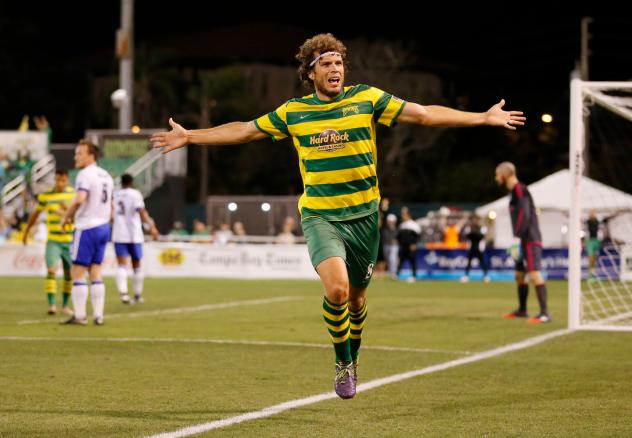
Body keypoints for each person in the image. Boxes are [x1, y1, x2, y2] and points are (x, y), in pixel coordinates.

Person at [152, 33, 525, 399]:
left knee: (358, 302)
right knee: (337, 290)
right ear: (310, 73)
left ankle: (354, 355)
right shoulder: (294, 112)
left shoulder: (367, 98)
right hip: (320, 216)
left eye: (339, 62)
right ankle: (343, 362)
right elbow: (246, 130)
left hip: (364, 217)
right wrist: (192, 137)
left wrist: (482, 118)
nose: (335, 68)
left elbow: (425, 114)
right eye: (326, 63)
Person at [60, 139, 114, 326]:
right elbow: (112, 205)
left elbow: (79, 199)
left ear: (91, 155)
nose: (76, 156)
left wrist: (66, 217)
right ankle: (98, 315)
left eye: (80, 153)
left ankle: (80, 315)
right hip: (103, 227)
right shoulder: (106, 175)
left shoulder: (85, 174)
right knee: (96, 271)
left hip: (87, 227)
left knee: (78, 272)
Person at [495, 162, 550, 324]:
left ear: (505, 174)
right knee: (519, 275)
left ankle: (544, 314)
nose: (496, 178)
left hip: (530, 238)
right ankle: (522, 310)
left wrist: (518, 236)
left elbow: (524, 213)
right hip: (522, 239)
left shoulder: (519, 189)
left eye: (497, 174)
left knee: (534, 273)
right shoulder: (513, 192)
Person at [22, 169, 75, 315]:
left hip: (70, 241)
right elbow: (35, 214)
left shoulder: (73, 195)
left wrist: (69, 209)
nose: (59, 183)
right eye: (57, 180)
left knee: (69, 274)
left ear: (67, 180)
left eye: (62, 180)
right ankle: (52, 305)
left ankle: (65, 305)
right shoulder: (46, 196)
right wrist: (26, 232)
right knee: (51, 270)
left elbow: (80, 216)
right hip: (53, 241)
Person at [112, 173, 159, 305]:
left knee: (121, 265)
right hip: (134, 234)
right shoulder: (135, 194)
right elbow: (141, 211)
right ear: (131, 182)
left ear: (121, 182)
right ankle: (137, 295)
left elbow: (111, 214)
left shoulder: (115, 195)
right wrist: (151, 227)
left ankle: (124, 294)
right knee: (136, 264)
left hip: (119, 233)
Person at [460, 215, 490, 283]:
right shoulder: (469, 228)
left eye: (476, 219)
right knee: (469, 262)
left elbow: (483, 236)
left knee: (482, 262)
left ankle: (485, 275)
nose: (475, 221)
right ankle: (466, 276)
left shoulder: (482, 228)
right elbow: (467, 235)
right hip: (471, 248)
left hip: (479, 248)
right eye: (473, 219)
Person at [397, 207, 421, 283]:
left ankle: (414, 276)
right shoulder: (402, 225)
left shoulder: (413, 225)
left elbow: (417, 236)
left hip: (411, 247)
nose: (402, 216)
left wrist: (414, 244)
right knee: (401, 261)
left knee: (412, 261)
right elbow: (399, 236)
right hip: (403, 247)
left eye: (404, 214)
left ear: (408, 215)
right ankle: (397, 275)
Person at [381, 213, 399, 279]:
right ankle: (390, 273)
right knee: (388, 260)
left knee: (393, 259)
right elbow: (383, 237)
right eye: (389, 221)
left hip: (394, 246)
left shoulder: (397, 229)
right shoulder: (384, 229)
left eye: (391, 221)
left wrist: (396, 241)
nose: (390, 222)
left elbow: (399, 237)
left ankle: (394, 274)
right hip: (386, 245)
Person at [585, 209, 600, 280]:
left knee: (594, 259)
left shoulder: (597, 221)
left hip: (596, 241)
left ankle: (593, 274)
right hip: (590, 241)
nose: (593, 213)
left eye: (594, 212)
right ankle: (589, 276)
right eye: (591, 212)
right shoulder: (588, 221)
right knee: (590, 258)